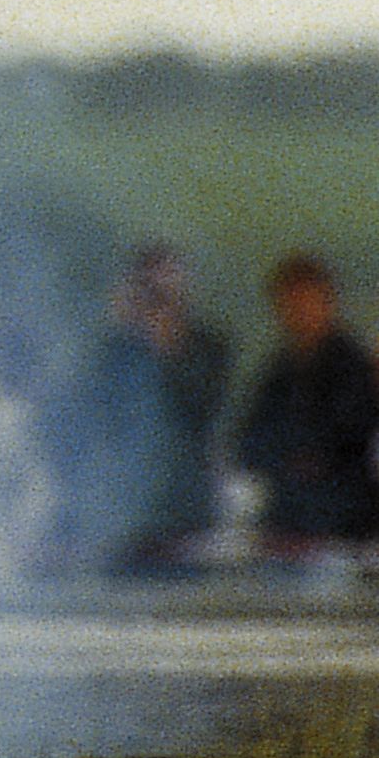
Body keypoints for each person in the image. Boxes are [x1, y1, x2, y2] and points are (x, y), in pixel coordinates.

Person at [56, 243, 234, 572]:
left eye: (166, 291)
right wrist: (121, 324)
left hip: (185, 508)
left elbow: (204, 408)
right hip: (126, 512)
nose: (157, 301)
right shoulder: (116, 352)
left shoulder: (208, 347)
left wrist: (169, 347)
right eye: (149, 289)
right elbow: (91, 418)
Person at [226, 252, 379, 555]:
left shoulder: (351, 365)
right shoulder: (279, 371)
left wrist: (303, 457)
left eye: (307, 300)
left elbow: (346, 438)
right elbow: (247, 444)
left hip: (344, 521)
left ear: (327, 301)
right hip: (288, 517)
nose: (299, 311)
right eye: (290, 302)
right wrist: (285, 458)